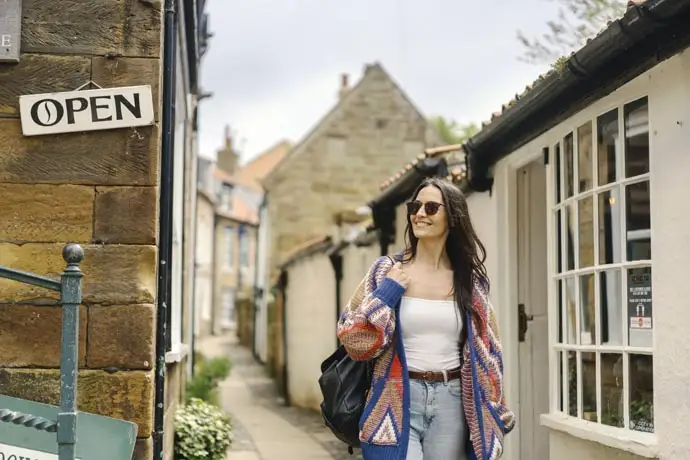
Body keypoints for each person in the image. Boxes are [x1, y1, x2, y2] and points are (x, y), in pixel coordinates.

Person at [337, 178, 515, 460]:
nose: (419, 213)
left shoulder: (469, 281)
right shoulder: (386, 271)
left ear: (452, 218)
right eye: (415, 206)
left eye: (431, 207)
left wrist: (494, 407)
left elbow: (489, 350)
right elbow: (353, 339)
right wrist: (387, 293)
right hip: (394, 401)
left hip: (453, 402)